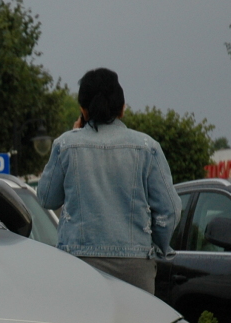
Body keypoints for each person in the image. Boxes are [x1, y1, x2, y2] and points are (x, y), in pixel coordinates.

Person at [36, 68, 180, 294]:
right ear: (122, 109)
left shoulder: (66, 145)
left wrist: (74, 135)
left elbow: (46, 198)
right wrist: (155, 247)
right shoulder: (147, 147)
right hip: (135, 266)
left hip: (78, 263)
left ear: (83, 110)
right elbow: (169, 210)